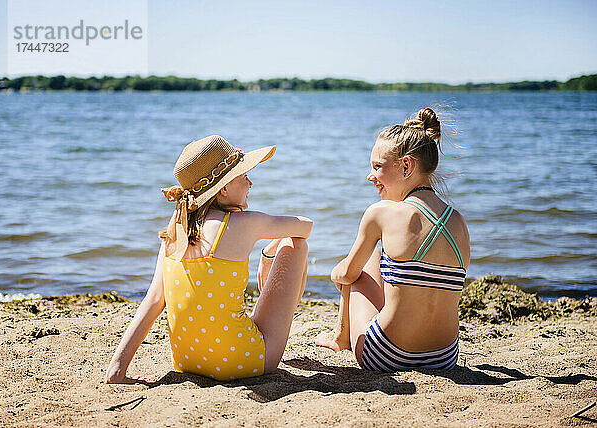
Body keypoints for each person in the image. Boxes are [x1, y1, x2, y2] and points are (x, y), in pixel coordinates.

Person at [106, 135, 312, 382]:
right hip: (241, 360)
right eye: (244, 176)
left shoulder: (175, 229)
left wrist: (118, 366)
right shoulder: (244, 223)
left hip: (186, 361)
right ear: (223, 189)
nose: (251, 183)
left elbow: (154, 299)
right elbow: (305, 227)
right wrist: (269, 253)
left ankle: (118, 368)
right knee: (295, 243)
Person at [315, 108, 470, 371]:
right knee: (380, 257)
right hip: (445, 358)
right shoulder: (458, 222)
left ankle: (340, 338)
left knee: (356, 274)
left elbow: (347, 275)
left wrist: (336, 271)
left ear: (407, 166)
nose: (370, 176)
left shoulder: (381, 213)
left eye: (377, 167)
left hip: (388, 355)